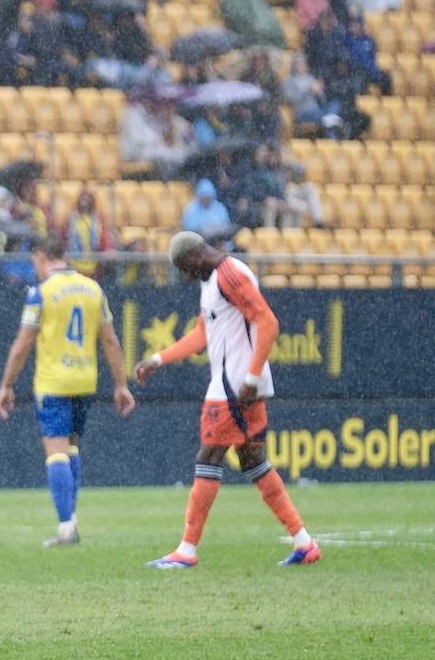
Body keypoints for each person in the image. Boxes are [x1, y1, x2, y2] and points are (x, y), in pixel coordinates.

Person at [134, 232, 321, 569]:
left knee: (208, 457)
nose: (186, 277)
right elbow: (202, 334)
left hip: (234, 387)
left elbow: (268, 321)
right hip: (237, 385)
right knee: (253, 462)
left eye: (185, 269)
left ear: (195, 258)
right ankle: (303, 542)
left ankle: (187, 550)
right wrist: (159, 359)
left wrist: (251, 377)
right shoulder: (212, 280)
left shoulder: (229, 275)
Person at [0, 237, 135, 547]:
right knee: (70, 448)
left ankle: (66, 526)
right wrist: (120, 384)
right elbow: (110, 340)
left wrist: (6, 385)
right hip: (85, 380)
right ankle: (70, 520)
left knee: (55, 451)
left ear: (40, 255)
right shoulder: (93, 289)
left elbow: (22, 345)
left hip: (54, 382)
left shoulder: (41, 293)